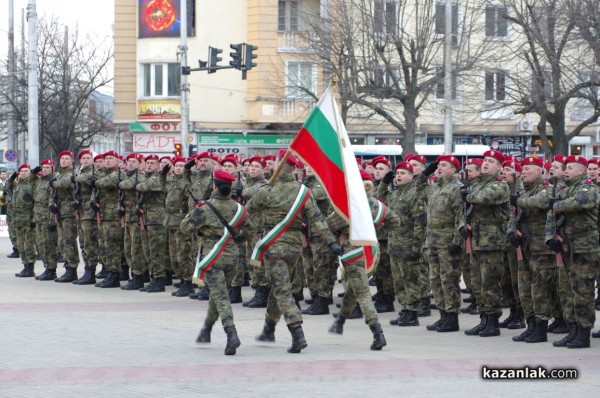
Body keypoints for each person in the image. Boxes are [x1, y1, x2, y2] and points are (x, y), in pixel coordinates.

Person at [246, 149, 337, 353]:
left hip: (274, 245)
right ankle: (269, 329)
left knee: (282, 289)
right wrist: (331, 242)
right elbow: (317, 219)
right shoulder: (304, 191)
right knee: (279, 286)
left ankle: (297, 332)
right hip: (295, 246)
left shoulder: (265, 190)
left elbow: (245, 214)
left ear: (278, 165)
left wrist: (242, 234)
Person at [181, 170, 254, 355]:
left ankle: (231, 333)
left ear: (214, 186)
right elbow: (251, 230)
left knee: (221, 296)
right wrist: (238, 238)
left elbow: (185, 228)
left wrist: (195, 211)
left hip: (212, 258)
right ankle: (206, 329)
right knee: (218, 293)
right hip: (232, 258)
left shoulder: (205, 208)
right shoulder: (239, 208)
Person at [328, 168, 400, 349]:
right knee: (354, 288)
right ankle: (341, 320)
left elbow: (329, 224)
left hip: (353, 252)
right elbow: (395, 221)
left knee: (362, 294)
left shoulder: (348, 206)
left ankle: (377, 333)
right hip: (372, 252)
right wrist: (374, 228)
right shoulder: (376, 204)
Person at [546, 155, 600, 348]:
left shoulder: (588, 188)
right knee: (568, 291)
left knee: (583, 292)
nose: (565, 171)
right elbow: (550, 215)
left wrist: (556, 205)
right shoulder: (565, 189)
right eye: (565, 168)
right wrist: (550, 238)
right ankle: (573, 329)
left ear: (580, 170)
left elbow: (578, 202)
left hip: (585, 248)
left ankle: (584, 333)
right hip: (567, 246)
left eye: (570, 168)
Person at [461, 150, 510, 338]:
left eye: (491, 161)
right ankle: (483, 319)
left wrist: (467, 194)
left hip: (492, 241)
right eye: (485, 161)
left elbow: (483, 198)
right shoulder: (476, 184)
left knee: (489, 282)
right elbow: (465, 207)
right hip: (476, 239)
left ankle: (492, 321)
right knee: (477, 282)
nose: (486, 164)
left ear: (499, 167)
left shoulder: (500, 185)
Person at [508, 156, 555, 343]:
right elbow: (513, 215)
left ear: (539, 171)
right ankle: (531, 325)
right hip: (524, 246)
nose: (524, 171)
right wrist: (511, 231)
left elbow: (541, 202)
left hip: (540, 248)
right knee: (524, 288)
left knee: (539, 289)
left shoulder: (546, 188)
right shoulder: (522, 192)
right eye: (523, 168)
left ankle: (541, 327)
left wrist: (518, 201)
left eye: (529, 168)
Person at [415, 155, 464, 332]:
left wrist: (457, 241)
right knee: (435, 280)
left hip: (448, 242)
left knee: (449, 280)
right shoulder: (434, 187)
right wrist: (424, 174)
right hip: (433, 241)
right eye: (438, 165)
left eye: (444, 165)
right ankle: (443, 315)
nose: (439, 168)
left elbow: (461, 216)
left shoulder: (457, 188)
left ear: (453, 169)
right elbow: (418, 191)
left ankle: (452, 318)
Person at [378, 161, 426, 327]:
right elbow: (380, 198)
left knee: (410, 280)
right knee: (398, 281)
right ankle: (404, 310)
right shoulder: (394, 193)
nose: (399, 176)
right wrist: (384, 182)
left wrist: (416, 248)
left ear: (411, 176)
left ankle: (412, 313)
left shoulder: (415, 194)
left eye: (403, 173)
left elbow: (420, 223)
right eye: (397, 173)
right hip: (395, 244)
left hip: (408, 245)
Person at [92, 150, 125, 288]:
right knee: (104, 246)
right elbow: (95, 190)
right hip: (103, 215)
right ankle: (109, 272)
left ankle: (115, 275)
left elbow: (102, 183)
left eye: (111, 158)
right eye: (106, 159)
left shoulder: (117, 174)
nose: (107, 161)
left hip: (113, 216)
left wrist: (95, 180)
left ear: (117, 161)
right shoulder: (103, 174)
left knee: (113, 246)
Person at [162, 156, 194, 297]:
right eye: (177, 165)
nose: (178, 168)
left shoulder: (187, 183)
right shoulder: (172, 182)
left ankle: (188, 282)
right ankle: (182, 279)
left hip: (181, 223)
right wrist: (162, 175)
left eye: (182, 165)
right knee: (174, 256)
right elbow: (162, 188)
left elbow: (190, 203)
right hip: (170, 222)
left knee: (183, 255)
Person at [136, 154, 168, 292]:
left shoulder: (157, 178)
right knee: (148, 250)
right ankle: (153, 277)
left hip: (156, 219)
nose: (149, 165)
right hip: (147, 218)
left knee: (156, 251)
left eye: (152, 163)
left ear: (157, 166)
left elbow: (142, 187)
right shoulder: (149, 177)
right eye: (147, 163)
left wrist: (138, 183)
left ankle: (159, 280)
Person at [50, 151, 81, 282]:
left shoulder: (72, 173)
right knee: (62, 241)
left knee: (69, 241)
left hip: (69, 212)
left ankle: (72, 268)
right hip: (60, 211)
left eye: (66, 158)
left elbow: (66, 183)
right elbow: (53, 191)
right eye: (62, 158)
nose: (63, 160)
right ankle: (68, 265)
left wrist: (54, 183)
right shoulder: (58, 174)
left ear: (71, 160)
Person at [119, 153, 148, 290]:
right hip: (128, 217)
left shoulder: (140, 176)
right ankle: (134, 275)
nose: (130, 164)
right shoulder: (129, 176)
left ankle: (138, 276)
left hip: (137, 218)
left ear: (140, 163)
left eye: (134, 161)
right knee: (128, 248)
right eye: (129, 161)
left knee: (136, 249)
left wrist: (118, 183)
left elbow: (126, 185)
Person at [72, 149, 100, 285]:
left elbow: (85, 179)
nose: (86, 160)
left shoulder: (94, 173)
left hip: (90, 212)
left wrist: (75, 178)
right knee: (83, 243)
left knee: (90, 243)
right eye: (83, 158)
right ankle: (87, 270)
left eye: (88, 158)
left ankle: (91, 272)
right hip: (81, 211)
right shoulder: (79, 172)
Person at [31, 160, 59, 281]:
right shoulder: (41, 181)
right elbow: (29, 180)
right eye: (44, 168)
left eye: (48, 167)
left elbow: (52, 202)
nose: (45, 169)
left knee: (49, 245)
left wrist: (52, 221)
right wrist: (33, 172)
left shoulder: (53, 182)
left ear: (53, 168)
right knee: (41, 244)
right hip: (39, 218)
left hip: (47, 218)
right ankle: (47, 267)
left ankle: (51, 270)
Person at [7, 164, 36, 277]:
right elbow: (9, 190)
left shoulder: (32, 185)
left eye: (26, 171)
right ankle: (25, 266)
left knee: (29, 244)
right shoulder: (17, 186)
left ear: (30, 172)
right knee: (20, 244)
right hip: (17, 220)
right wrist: (11, 178)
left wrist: (34, 219)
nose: (24, 173)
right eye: (21, 171)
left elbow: (35, 203)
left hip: (28, 219)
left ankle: (30, 267)